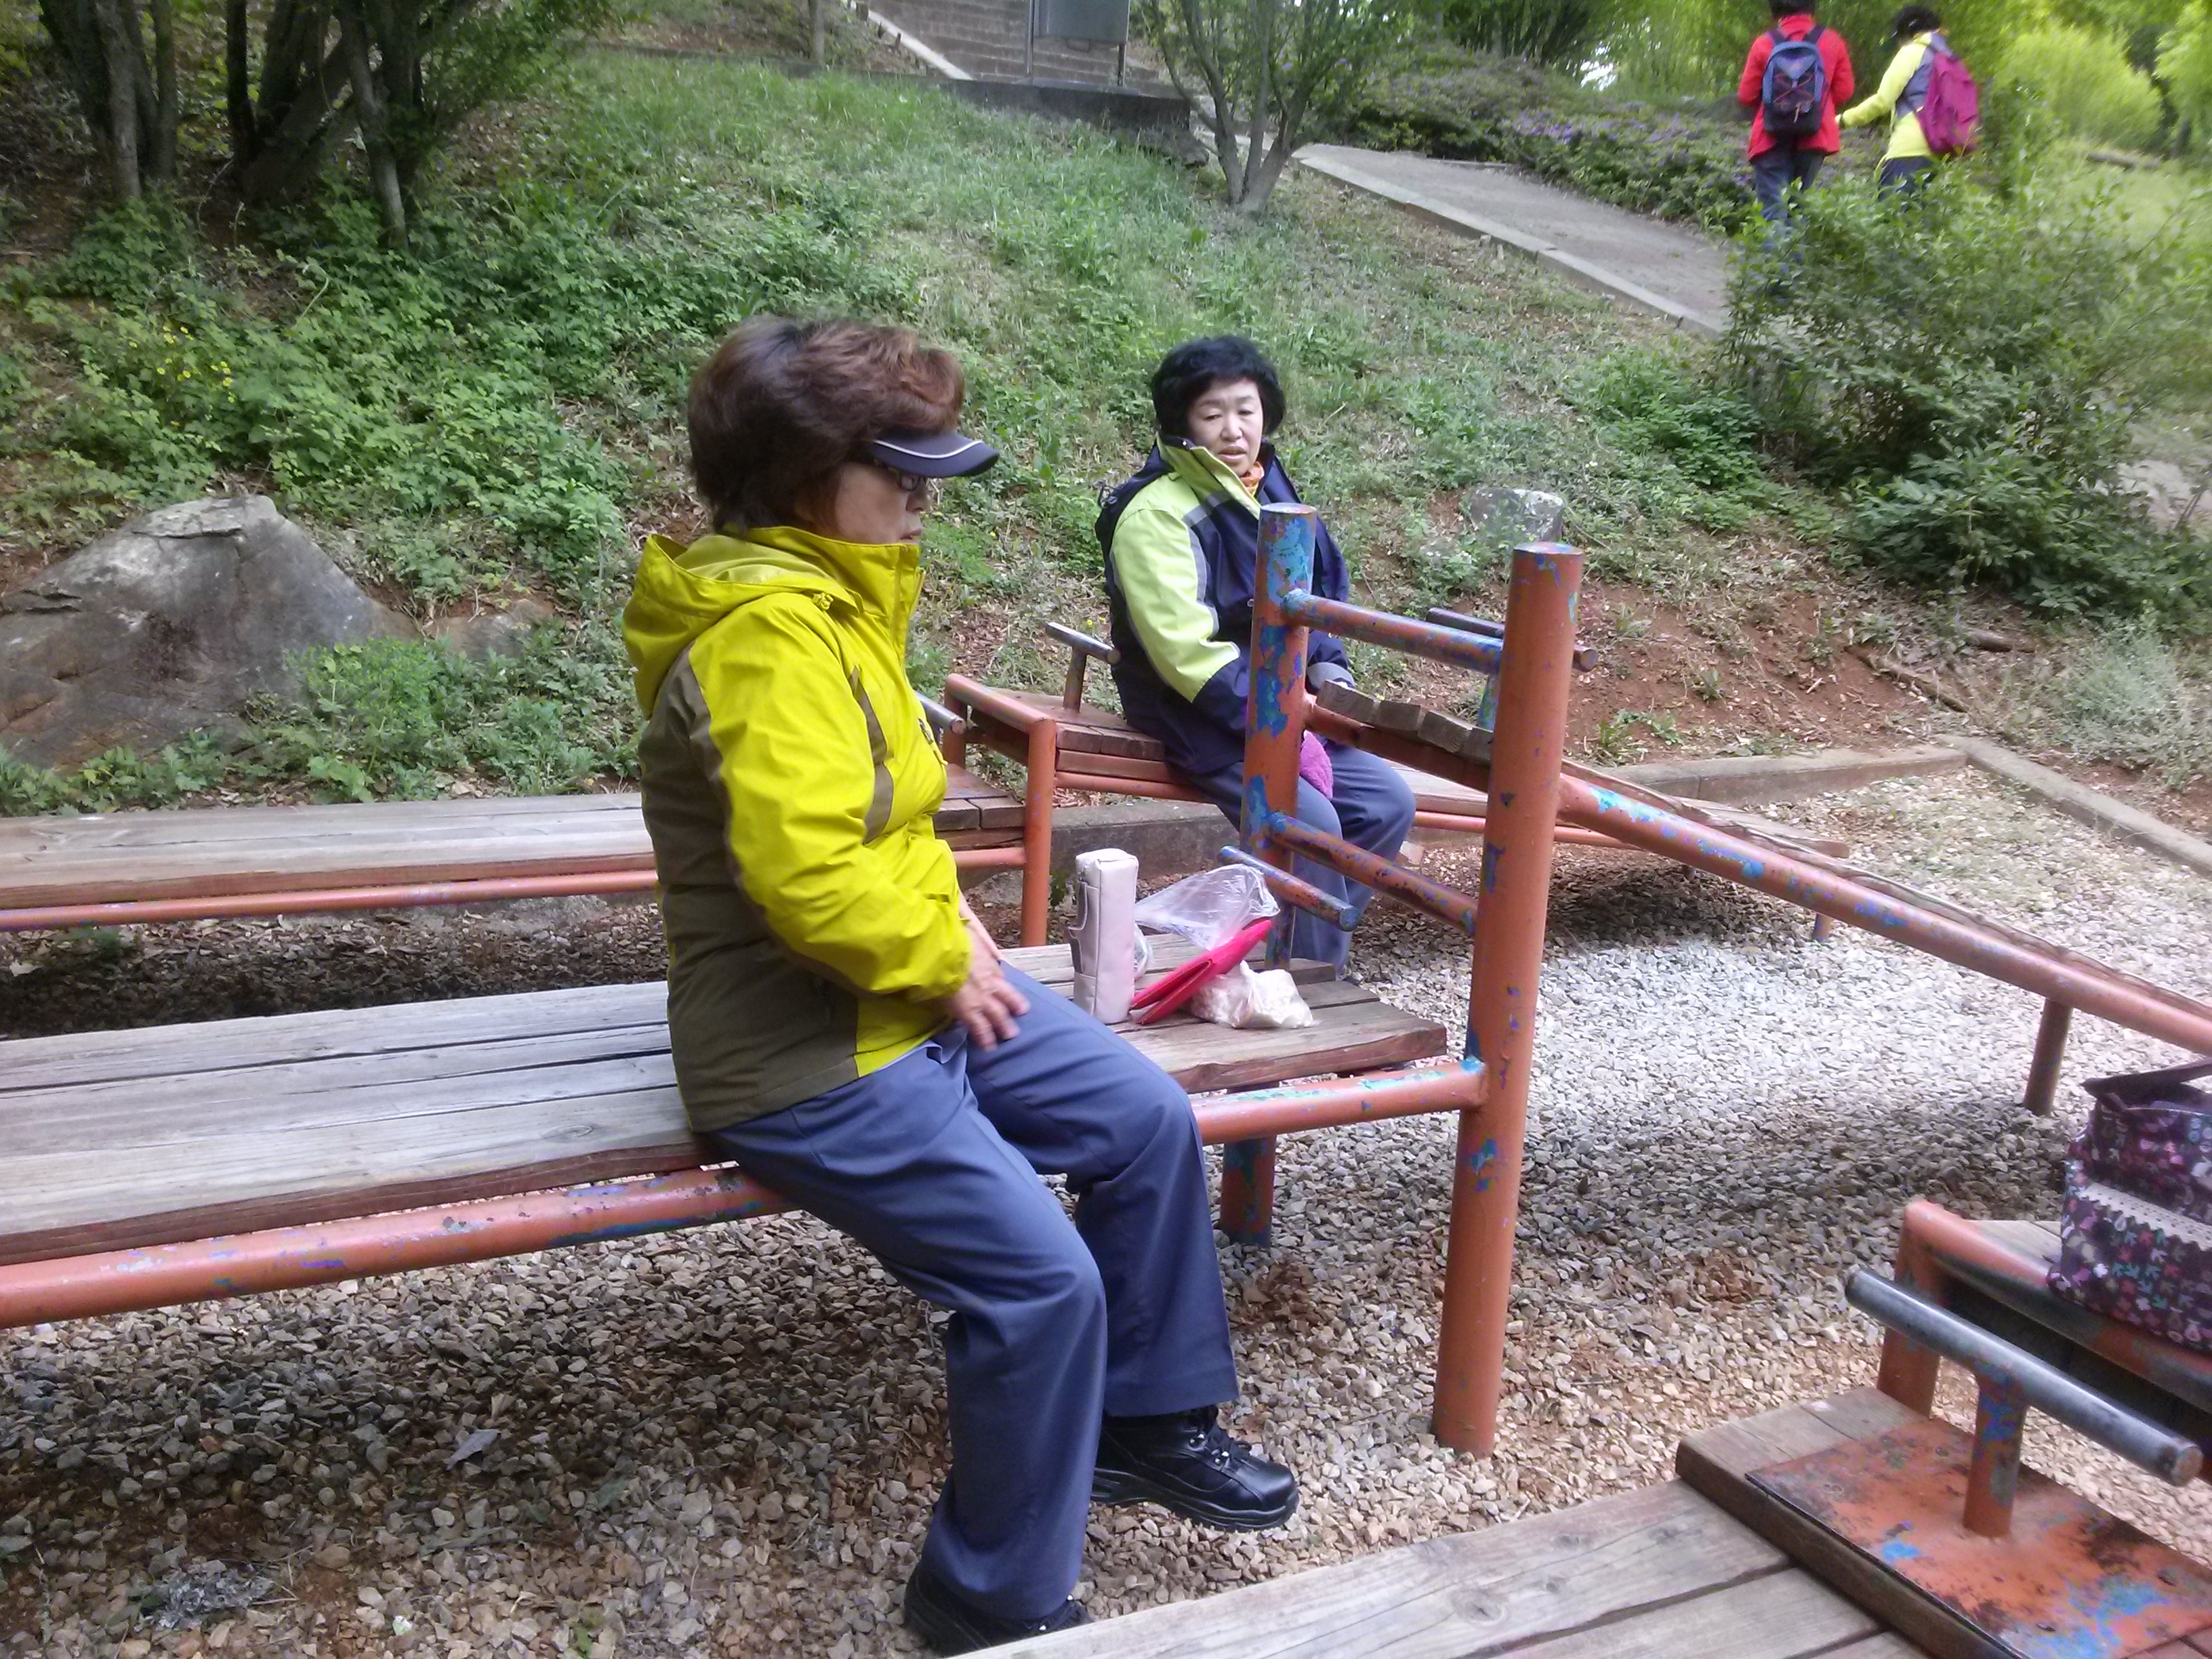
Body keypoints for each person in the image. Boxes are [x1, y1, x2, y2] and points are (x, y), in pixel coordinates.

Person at [621, 316, 1296, 1656]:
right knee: (1040, 1284)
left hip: (907, 996)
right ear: (802, 478)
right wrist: (942, 958)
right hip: (805, 1050)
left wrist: (956, 944)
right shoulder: (766, 636)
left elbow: (886, 830)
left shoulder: (840, 594)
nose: (924, 495)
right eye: (899, 468)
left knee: (1143, 1120)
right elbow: (808, 878)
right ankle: (986, 1593)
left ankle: (1140, 1421)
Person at [1097, 336, 1416, 975]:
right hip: (1199, 711)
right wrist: (1283, 719)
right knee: (1310, 821)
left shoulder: (1268, 486)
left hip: (1290, 702)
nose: (1233, 430)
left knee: (1386, 803)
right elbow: (1184, 654)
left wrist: (1329, 677)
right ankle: (1311, 980)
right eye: (1212, 414)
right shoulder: (1155, 513)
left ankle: (1297, 952)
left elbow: (1317, 598)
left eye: (1246, 410)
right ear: (1182, 423)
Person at [1736, 0, 1856, 230]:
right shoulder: (1832, 41)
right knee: (1797, 213)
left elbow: (1746, 95)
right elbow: (1845, 91)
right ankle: (1794, 253)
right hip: (1814, 136)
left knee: (1772, 214)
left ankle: (1773, 254)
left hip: (1770, 137)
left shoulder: (1764, 43)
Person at [1841, 5, 1949, 195]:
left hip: (1909, 150)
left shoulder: (1912, 52)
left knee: (1890, 210)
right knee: (1919, 212)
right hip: (1942, 150)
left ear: (1909, 31)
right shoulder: (1947, 56)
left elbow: (1882, 101)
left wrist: (1842, 120)